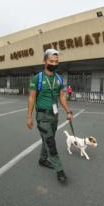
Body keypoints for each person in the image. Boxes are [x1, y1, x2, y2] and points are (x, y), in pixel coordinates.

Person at [26, 48, 74, 183]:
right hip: (42, 116)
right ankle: (60, 171)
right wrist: (29, 117)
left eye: (56, 61)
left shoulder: (58, 78)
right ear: (45, 61)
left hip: (54, 115)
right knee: (51, 142)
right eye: (51, 61)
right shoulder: (37, 78)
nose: (54, 63)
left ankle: (42, 159)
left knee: (48, 139)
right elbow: (31, 98)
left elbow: (62, 96)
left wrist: (68, 111)